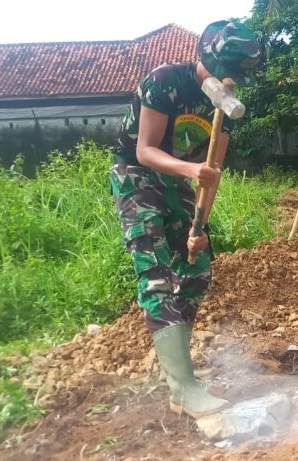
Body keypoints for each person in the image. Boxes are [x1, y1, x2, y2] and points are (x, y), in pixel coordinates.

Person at [110, 20, 260, 418]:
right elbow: (144, 150)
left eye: (237, 76)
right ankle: (185, 387)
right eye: (225, 71)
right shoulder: (165, 82)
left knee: (196, 270)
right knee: (156, 275)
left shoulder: (222, 108)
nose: (229, 81)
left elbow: (213, 172)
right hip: (137, 176)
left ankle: (178, 374)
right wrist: (193, 172)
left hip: (181, 184)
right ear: (207, 57)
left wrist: (198, 227)